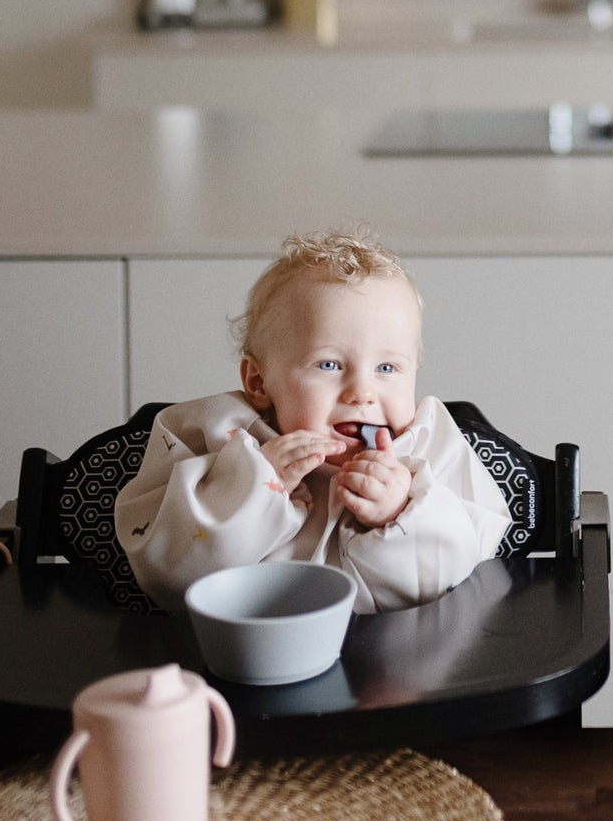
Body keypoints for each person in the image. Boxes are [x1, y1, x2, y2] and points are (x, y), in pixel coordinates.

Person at [115, 228, 511, 613]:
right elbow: (171, 576)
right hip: (245, 659)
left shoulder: (429, 444)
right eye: (329, 364)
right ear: (258, 381)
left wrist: (401, 513)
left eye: (387, 367)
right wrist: (254, 484)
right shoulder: (213, 435)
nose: (362, 392)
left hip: (399, 661)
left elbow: (465, 575)